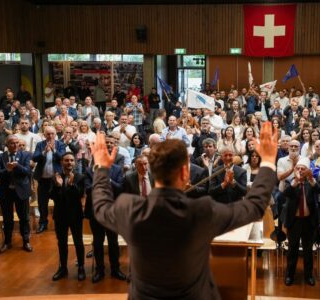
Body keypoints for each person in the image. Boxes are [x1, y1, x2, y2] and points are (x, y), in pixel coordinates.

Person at [90, 121, 277, 299]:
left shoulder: (129, 208)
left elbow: (100, 206)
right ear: (185, 173)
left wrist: (100, 168)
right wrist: (268, 162)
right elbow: (255, 206)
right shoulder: (202, 211)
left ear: (152, 171)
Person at [281, 157, 320, 286]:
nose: (300, 171)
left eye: (303, 169)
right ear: (295, 170)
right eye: (298, 168)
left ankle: (309, 276)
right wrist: (296, 181)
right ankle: (289, 276)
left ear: (307, 170)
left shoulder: (311, 182)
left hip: (308, 221)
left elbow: (318, 190)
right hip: (294, 222)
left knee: (308, 250)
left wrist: (311, 178)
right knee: (293, 250)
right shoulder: (290, 182)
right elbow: (286, 194)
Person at [50, 152, 86, 281]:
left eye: (71, 160)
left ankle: (81, 267)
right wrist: (59, 186)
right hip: (60, 215)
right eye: (66, 160)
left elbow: (80, 194)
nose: (69, 163)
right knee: (62, 242)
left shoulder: (80, 177)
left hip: (75, 215)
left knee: (78, 242)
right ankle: (63, 268)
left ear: (74, 163)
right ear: (61, 162)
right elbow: (52, 196)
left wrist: (71, 185)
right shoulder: (55, 177)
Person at [0, 135, 33, 253]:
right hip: (5, 192)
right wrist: (8, 170)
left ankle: (26, 241)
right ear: (7, 145)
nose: (15, 145)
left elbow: (27, 171)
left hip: (21, 191)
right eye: (12, 143)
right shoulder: (1, 156)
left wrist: (17, 166)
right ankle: (7, 242)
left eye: (17, 142)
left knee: (24, 218)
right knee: (7, 219)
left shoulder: (26, 155)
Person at [33, 126, 66, 233]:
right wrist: (44, 152)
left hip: (56, 180)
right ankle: (43, 223)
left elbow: (62, 158)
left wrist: (54, 150)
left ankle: (59, 223)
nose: (50, 136)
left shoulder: (60, 144)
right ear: (44, 134)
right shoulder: (40, 144)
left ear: (55, 134)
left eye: (52, 134)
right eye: (48, 134)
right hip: (43, 180)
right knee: (42, 203)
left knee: (59, 203)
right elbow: (35, 157)